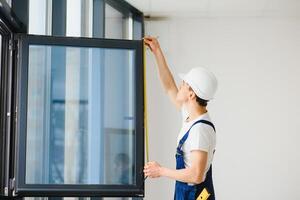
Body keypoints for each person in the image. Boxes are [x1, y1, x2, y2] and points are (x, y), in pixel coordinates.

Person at [143, 36, 218, 200]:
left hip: (194, 195)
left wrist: (160, 171)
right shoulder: (191, 115)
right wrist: (157, 51)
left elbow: (197, 175)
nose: (180, 85)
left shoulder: (200, 129)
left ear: (191, 94)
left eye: (184, 83)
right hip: (188, 193)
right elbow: (169, 86)